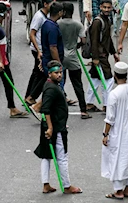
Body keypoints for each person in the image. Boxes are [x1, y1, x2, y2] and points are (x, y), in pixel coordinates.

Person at [35, 60, 83, 194]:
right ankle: (67, 186)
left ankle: (46, 184)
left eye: (61, 72)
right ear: (49, 74)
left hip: (50, 126)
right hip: (56, 128)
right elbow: (45, 109)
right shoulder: (51, 88)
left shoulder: (51, 85)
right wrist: (50, 128)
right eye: (56, 73)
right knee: (62, 157)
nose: (60, 75)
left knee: (46, 156)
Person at [102, 62, 128, 199]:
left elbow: (110, 118)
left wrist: (105, 134)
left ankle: (118, 190)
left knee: (116, 159)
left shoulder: (113, 94)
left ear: (114, 76)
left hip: (117, 133)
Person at [87, 0, 120, 112]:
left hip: (103, 54)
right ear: (100, 7)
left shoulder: (107, 20)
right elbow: (94, 41)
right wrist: (95, 58)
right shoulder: (98, 22)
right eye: (104, 7)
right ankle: (107, 105)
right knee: (109, 80)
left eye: (108, 7)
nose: (106, 9)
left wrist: (114, 52)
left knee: (95, 80)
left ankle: (89, 103)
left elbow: (108, 39)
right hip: (100, 56)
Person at [58, 2, 89, 118]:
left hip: (60, 57)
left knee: (60, 84)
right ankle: (83, 110)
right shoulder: (77, 24)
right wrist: (77, 46)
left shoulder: (57, 24)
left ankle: (60, 109)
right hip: (73, 58)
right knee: (77, 84)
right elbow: (84, 40)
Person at [24, 0, 55, 106]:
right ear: (45, 4)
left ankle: (28, 96)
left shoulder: (47, 15)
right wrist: (39, 51)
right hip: (39, 50)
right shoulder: (39, 17)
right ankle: (32, 96)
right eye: (51, 3)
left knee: (36, 73)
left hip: (41, 49)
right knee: (43, 73)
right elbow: (32, 34)